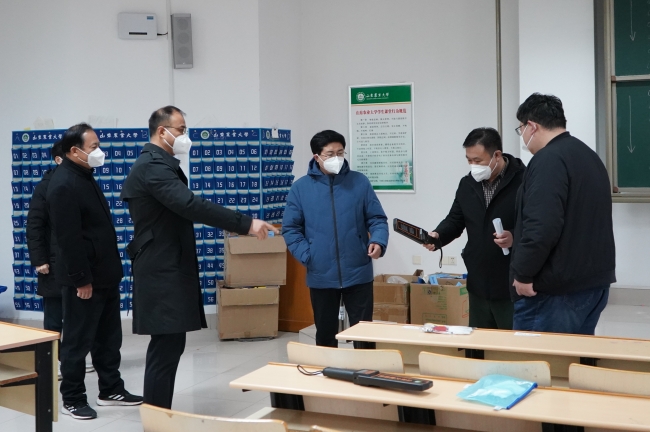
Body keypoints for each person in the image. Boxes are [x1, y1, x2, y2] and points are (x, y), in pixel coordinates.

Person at [120, 106, 278, 409]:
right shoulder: (152, 166)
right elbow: (191, 205)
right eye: (180, 129)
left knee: (170, 345)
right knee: (165, 348)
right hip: (160, 268)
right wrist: (246, 223)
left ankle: (158, 414)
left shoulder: (160, 163)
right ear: (162, 131)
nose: (185, 136)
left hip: (166, 263)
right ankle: (156, 419)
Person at [47, 123, 142, 420]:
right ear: (75, 151)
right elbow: (68, 240)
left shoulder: (85, 176)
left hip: (104, 275)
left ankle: (111, 389)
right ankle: (73, 398)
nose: (100, 151)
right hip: (84, 280)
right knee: (77, 342)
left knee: (108, 339)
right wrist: (81, 279)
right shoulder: (63, 184)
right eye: (94, 147)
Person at [510, 93, 616, 335]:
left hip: (555, 291)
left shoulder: (548, 160)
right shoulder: (588, 155)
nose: (523, 137)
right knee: (573, 356)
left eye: (521, 129)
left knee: (536, 358)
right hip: (593, 284)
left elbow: (541, 225)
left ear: (531, 126)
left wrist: (523, 274)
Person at [282, 129, 388, 348]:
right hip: (321, 273)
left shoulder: (359, 182)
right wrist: (308, 256)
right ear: (317, 157)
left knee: (364, 335)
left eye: (340, 153)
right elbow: (291, 229)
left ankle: (366, 369)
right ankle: (327, 369)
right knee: (325, 334)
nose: (337, 158)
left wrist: (377, 241)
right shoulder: (300, 188)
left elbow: (377, 219)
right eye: (330, 154)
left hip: (358, 270)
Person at [424, 128, 525, 330]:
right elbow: (455, 219)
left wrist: (514, 236)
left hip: (512, 284)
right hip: (478, 282)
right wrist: (438, 235)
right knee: (479, 342)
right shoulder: (468, 184)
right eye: (469, 160)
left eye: (478, 160)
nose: (473, 166)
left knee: (511, 343)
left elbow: (536, 224)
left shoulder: (524, 181)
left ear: (497, 155)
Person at [26, 141, 95, 380]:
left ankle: (73, 358)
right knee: (54, 318)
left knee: (78, 316)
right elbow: (34, 226)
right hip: (52, 265)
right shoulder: (45, 187)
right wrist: (40, 260)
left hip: (76, 263)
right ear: (59, 159)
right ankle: (53, 361)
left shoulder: (80, 182)